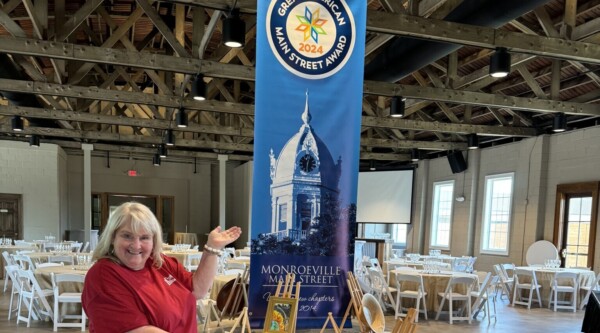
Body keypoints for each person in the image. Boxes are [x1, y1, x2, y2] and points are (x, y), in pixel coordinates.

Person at [82, 202, 242, 332]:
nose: (136, 245)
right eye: (127, 236)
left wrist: (212, 248)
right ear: (112, 238)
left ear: (154, 240)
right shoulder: (103, 275)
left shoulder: (160, 262)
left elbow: (198, 290)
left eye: (144, 237)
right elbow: (138, 330)